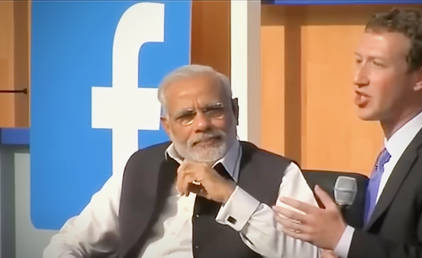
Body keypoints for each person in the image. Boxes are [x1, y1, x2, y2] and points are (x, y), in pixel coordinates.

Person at [43, 64, 319, 258]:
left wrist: (230, 195)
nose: (202, 124)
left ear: (235, 111)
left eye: (214, 110)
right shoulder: (139, 167)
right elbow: (69, 242)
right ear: (167, 126)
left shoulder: (280, 174)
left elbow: (310, 254)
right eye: (187, 116)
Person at [273, 8, 422, 258]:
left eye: (377, 64)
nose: (359, 78)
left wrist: (344, 239)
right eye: (359, 61)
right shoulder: (395, 153)